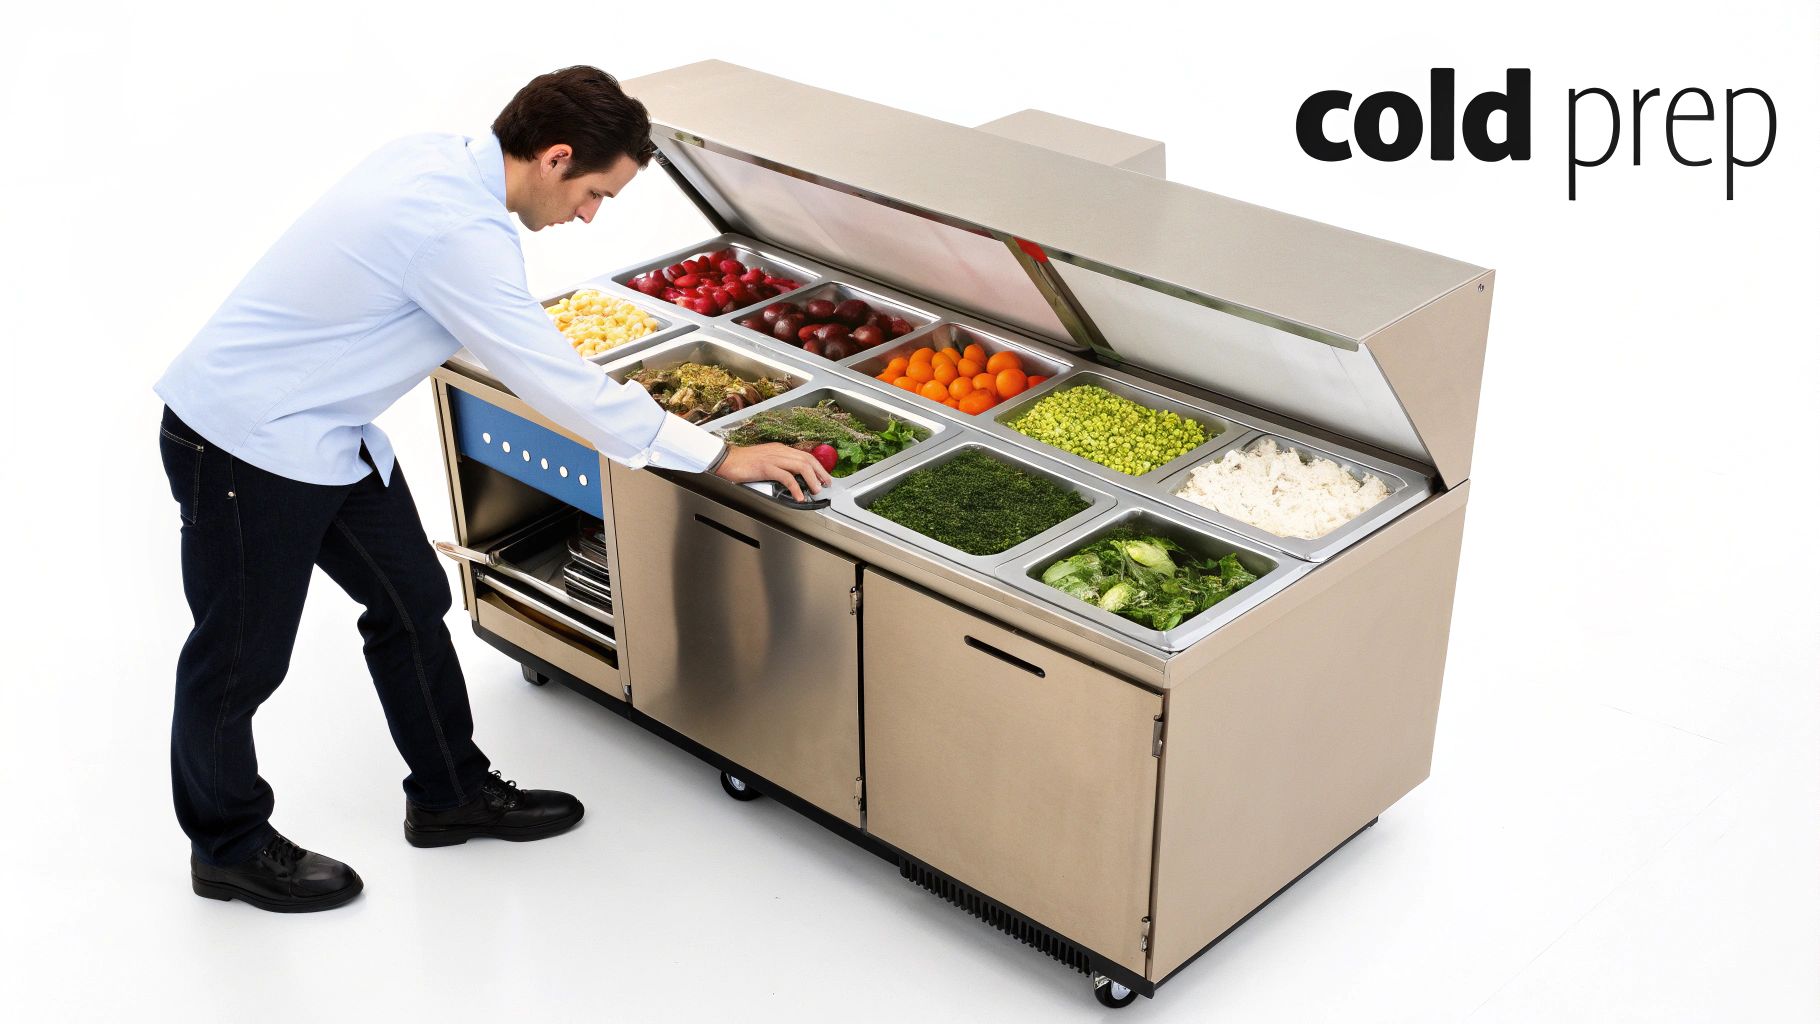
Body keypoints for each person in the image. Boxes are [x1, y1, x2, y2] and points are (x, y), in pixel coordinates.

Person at [155, 66, 830, 913]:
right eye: (595, 193)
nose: (589, 215)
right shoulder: (456, 230)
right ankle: (227, 847)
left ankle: (449, 795)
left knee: (412, 601)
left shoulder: (437, 164)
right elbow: (552, 379)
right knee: (237, 659)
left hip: (322, 434)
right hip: (244, 442)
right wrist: (718, 456)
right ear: (555, 156)